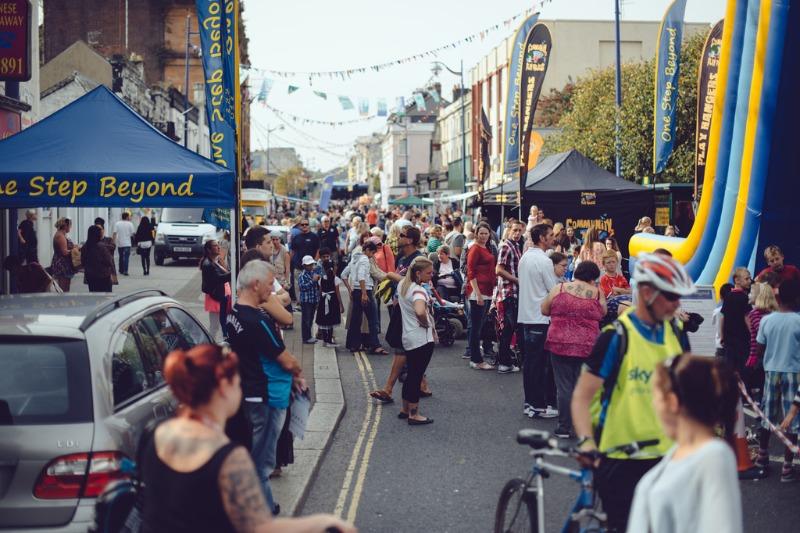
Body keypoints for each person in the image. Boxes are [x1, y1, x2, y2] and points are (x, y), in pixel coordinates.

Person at [140, 343, 353, 533]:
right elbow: (261, 527)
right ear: (224, 386)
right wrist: (322, 523)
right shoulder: (229, 458)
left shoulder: (156, 431)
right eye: (237, 381)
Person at [570, 253, 695, 532]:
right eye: (671, 296)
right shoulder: (615, 337)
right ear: (647, 292)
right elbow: (581, 397)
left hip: (666, 455)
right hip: (620, 458)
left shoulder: (675, 333)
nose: (677, 303)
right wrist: (586, 442)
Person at [226, 260, 306, 516]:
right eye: (270, 284)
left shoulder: (234, 314)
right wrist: (297, 373)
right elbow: (286, 358)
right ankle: (263, 511)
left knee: (257, 454)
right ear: (256, 284)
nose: (273, 290)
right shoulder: (256, 321)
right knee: (262, 460)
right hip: (267, 396)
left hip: (252, 392)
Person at [627, 355, 742, 533]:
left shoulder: (714, 456)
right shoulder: (678, 452)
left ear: (672, 402)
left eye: (655, 397)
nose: (653, 404)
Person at [541, 261, 606, 438]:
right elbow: (602, 313)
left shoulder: (559, 288)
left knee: (563, 386)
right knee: (582, 386)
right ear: (593, 277)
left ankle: (563, 427)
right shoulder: (597, 292)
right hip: (587, 345)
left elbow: (544, 309)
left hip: (559, 341)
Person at [369, 226, 425, 403]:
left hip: (412, 311)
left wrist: (392, 276)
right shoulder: (402, 258)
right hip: (401, 308)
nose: (397, 238)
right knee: (409, 349)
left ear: (409, 240)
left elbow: (418, 284)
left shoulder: (418, 259)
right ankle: (421, 384)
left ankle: (389, 389)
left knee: (404, 350)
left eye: (401, 235)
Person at [752, 279, 800, 481]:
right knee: (793, 421)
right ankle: (787, 468)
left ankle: (762, 456)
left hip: (771, 372)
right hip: (794, 373)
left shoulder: (766, 320)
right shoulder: (798, 321)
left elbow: (760, 348)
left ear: (777, 297)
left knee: (767, 416)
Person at [518, 223, 559, 419]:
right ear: (542, 238)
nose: (553, 238)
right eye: (550, 235)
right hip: (540, 318)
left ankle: (530, 403)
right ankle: (538, 405)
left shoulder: (525, 257)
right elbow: (553, 290)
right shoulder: (544, 261)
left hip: (528, 316)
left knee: (531, 363)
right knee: (540, 364)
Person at [397, 257, 436, 425]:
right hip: (421, 339)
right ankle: (414, 414)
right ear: (418, 273)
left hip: (408, 337)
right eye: (428, 273)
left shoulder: (403, 286)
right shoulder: (419, 291)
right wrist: (426, 323)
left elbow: (392, 276)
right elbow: (420, 311)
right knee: (416, 376)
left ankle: (405, 410)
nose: (431, 275)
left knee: (410, 374)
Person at [495, 219, 525, 374]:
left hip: (514, 292)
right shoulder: (506, 246)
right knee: (508, 328)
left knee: (511, 327)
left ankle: (507, 360)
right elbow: (498, 270)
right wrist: (517, 280)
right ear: (509, 230)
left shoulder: (517, 246)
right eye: (515, 230)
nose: (517, 233)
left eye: (520, 230)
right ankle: (504, 362)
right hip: (508, 292)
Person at [465, 223, 497, 370]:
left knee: (480, 327)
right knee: (476, 328)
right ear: (476, 234)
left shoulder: (487, 247)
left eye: (486, 233)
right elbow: (470, 272)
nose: (484, 236)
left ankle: (477, 358)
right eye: (481, 233)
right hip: (478, 292)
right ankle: (476, 360)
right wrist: (477, 294)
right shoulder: (474, 249)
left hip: (487, 291)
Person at [345, 241, 385, 354]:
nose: (372, 255)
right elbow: (362, 276)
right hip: (365, 290)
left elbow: (343, 274)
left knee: (355, 320)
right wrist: (364, 293)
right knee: (373, 319)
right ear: (367, 250)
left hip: (356, 291)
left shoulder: (354, 259)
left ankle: (353, 345)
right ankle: (375, 345)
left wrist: (350, 289)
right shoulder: (364, 260)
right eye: (372, 252)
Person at [745, 282, 778, 396]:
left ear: (759, 296)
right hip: (776, 355)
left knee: (764, 387)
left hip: (761, 355)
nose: (749, 295)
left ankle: (763, 409)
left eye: (751, 293)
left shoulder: (754, 314)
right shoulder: (776, 312)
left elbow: (761, 334)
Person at [720, 267, 752, 374]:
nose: (749, 281)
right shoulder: (744, 298)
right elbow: (747, 317)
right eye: (747, 279)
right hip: (742, 340)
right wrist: (753, 335)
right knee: (744, 368)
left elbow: (723, 317)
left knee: (730, 369)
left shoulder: (728, 296)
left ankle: (731, 389)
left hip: (729, 340)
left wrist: (722, 336)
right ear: (737, 280)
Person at [201, 240, 231, 330]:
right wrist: (232, 273)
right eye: (215, 246)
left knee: (220, 324)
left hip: (221, 296)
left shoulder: (214, 262)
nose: (218, 247)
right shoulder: (208, 264)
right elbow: (218, 278)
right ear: (209, 250)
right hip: (215, 297)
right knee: (215, 325)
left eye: (218, 245)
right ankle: (211, 342)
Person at [316, 248, 344, 347]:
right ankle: (329, 340)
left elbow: (320, 291)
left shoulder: (321, 278)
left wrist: (318, 301)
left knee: (324, 320)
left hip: (324, 300)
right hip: (332, 300)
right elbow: (337, 292)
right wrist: (341, 304)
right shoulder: (335, 279)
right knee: (331, 320)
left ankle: (326, 340)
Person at [81, 224, 114, 292]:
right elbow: (109, 261)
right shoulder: (101, 247)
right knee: (105, 296)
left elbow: (83, 261)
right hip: (103, 276)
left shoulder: (85, 247)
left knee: (93, 294)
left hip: (90, 275)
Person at [297, 255, 321, 344]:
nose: (310, 266)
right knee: (305, 320)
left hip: (313, 300)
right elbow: (302, 287)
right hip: (306, 301)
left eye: (311, 264)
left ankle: (309, 336)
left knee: (310, 319)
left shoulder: (313, 273)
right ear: (304, 265)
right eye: (308, 265)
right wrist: (313, 281)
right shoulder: (302, 275)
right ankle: (306, 338)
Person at [50, 217, 76, 292]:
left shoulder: (61, 234)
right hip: (62, 265)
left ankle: (65, 301)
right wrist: (74, 251)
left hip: (63, 263)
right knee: (63, 287)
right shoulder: (60, 236)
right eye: (70, 226)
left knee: (65, 286)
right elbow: (64, 252)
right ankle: (63, 302)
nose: (70, 228)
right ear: (65, 226)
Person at [712, 283, 734, 358]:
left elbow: (714, 323)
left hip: (719, 346)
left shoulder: (716, 311)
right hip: (732, 346)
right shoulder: (735, 311)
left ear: (720, 296)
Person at [112, 212, 135, 276]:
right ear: (127, 217)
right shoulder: (130, 224)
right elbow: (133, 234)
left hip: (120, 243)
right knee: (126, 257)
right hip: (127, 243)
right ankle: (125, 271)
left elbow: (114, 233)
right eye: (129, 216)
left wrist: (113, 242)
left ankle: (121, 270)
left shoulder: (117, 223)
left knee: (121, 256)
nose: (130, 218)